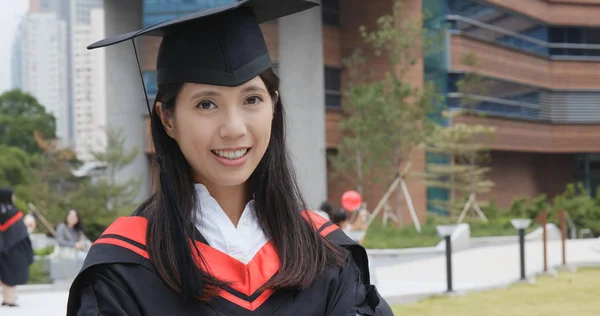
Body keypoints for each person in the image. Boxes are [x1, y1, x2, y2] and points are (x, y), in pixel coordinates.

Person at [66, 1, 393, 315]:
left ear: (273, 105)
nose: (234, 128)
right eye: (206, 104)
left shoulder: (328, 254)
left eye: (252, 99)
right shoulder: (123, 270)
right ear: (168, 119)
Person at [0, 187, 34, 307]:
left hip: (2, 249)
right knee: (11, 274)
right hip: (13, 250)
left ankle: (6, 299)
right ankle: (10, 300)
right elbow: (21, 233)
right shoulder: (13, 213)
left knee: (3, 274)